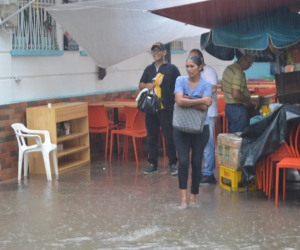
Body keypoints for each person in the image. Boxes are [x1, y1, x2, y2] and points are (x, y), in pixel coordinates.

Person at [173, 56, 212, 208]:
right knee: (183, 162)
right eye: (187, 66)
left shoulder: (206, 84)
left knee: (196, 162)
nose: (189, 69)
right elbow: (179, 101)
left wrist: (189, 100)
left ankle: (193, 197)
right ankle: (183, 199)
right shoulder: (180, 80)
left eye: (192, 66)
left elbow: (205, 107)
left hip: (201, 128)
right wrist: (200, 100)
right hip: (180, 128)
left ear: (200, 66)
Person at [139, 42, 180, 176]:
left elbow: (179, 85)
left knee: (169, 136)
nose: (156, 53)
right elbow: (140, 84)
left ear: (164, 52)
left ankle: (173, 163)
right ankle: (153, 164)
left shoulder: (172, 69)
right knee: (152, 136)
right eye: (154, 51)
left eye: (158, 50)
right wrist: (147, 85)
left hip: (167, 107)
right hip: (151, 108)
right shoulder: (148, 69)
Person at [189, 49, 218, 185]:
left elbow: (212, 88)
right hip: (198, 114)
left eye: (194, 59)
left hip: (209, 113)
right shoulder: (194, 73)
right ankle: (202, 172)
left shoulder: (209, 71)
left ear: (201, 59)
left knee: (208, 144)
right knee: (200, 144)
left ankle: (209, 174)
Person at [222, 53, 258, 133]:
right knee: (238, 137)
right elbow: (235, 94)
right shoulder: (238, 72)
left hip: (229, 107)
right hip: (237, 109)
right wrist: (250, 100)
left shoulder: (229, 68)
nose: (250, 65)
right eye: (249, 63)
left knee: (233, 136)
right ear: (242, 59)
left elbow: (222, 87)